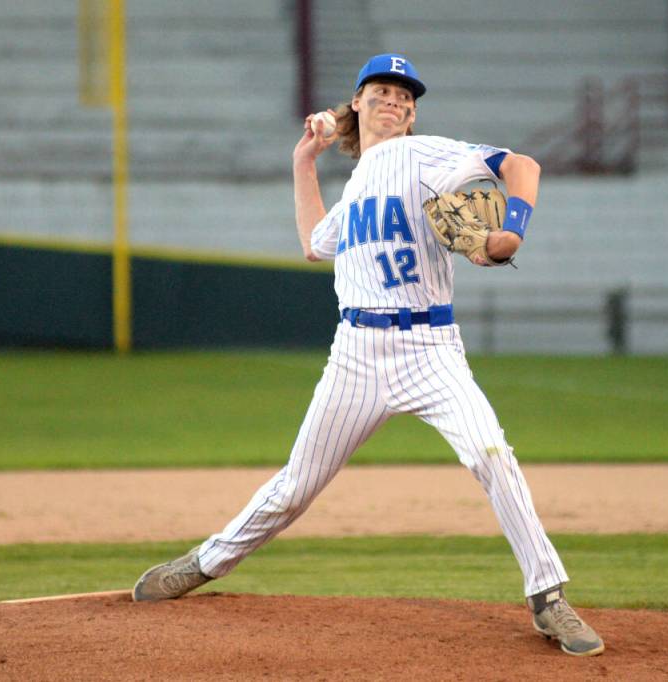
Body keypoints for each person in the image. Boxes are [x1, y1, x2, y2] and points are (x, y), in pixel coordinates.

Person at [132, 53, 604, 658]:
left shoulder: (424, 153)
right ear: (357, 101)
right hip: (356, 353)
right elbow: (313, 243)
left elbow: (522, 165)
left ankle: (549, 598)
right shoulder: (356, 184)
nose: (396, 100)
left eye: (405, 96)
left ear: (412, 114)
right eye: (382, 90)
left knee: (492, 454)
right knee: (294, 488)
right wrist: (304, 160)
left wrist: (512, 229)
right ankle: (203, 563)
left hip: (431, 348)